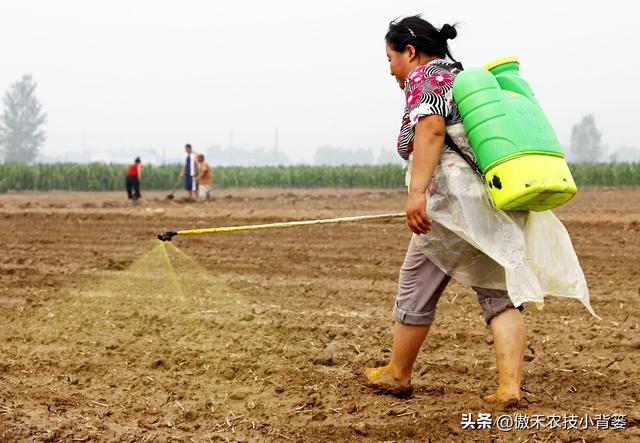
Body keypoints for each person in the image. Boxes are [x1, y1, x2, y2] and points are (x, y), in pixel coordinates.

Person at [364, 15, 594, 403]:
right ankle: (510, 387)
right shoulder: (463, 78)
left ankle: (397, 373)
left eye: (390, 59)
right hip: (490, 204)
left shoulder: (427, 78)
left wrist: (416, 194)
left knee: (415, 285)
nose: (390, 70)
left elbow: (431, 131)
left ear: (410, 51)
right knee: (498, 296)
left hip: (452, 208)